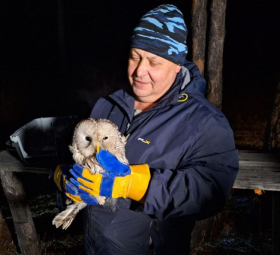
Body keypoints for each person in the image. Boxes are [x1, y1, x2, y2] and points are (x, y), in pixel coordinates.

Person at [53, 4, 239, 255]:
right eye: (135, 56)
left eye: (154, 61)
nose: (140, 70)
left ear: (177, 64)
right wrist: (63, 178)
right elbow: (76, 154)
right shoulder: (108, 104)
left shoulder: (205, 121)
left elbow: (211, 190)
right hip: (95, 245)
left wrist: (132, 184)